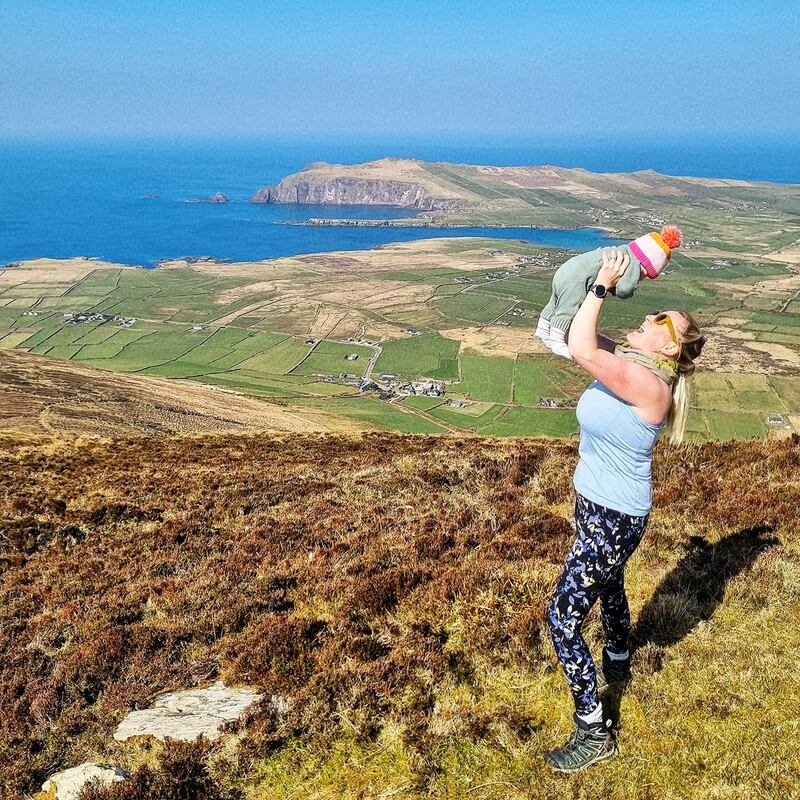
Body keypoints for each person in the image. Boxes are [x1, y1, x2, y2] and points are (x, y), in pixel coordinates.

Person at [543, 247, 706, 773]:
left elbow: (586, 349)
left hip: (614, 516)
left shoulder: (650, 386)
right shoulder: (633, 365)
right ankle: (617, 660)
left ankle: (593, 731)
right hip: (593, 502)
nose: (650, 316)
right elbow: (574, 340)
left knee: (562, 620)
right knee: (609, 586)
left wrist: (602, 287)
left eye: (662, 320)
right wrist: (578, 286)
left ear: (671, 347)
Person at [536, 226, 683, 358]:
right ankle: (557, 341)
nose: (642, 278)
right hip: (576, 280)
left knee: (554, 302)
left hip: (566, 270)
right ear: (647, 265)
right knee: (567, 309)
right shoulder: (633, 264)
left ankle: (542, 330)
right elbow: (625, 289)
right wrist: (619, 288)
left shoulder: (620, 250)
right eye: (645, 275)